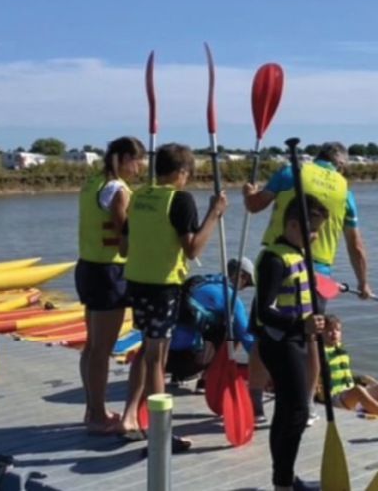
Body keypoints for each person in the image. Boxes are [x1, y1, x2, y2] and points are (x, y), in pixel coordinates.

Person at [243, 141, 373, 424]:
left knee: (264, 334)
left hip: (277, 262)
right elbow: (356, 246)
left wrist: (248, 193)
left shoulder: (291, 171)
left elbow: (254, 207)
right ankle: (307, 405)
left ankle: (255, 405)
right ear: (341, 165)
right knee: (311, 337)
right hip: (319, 273)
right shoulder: (345, 191)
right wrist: (363, 283)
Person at [116, 143, 227, 447]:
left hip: (135, 282)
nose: (187, 180)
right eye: (188, 175)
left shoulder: (138, 196)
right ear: (181, 172)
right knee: (157, 359)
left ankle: (128, 416)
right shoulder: (180, 200)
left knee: (145, 351)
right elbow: (192, 249)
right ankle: (159, 432)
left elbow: (123, 247)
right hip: (162, 286)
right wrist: (213, 214)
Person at [252, 194, 330, 491]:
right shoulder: (275, 258)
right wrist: (300, 324)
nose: (316, 237)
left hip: (295, 340)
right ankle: (283, 481)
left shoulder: (298, 253)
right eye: (313, 231)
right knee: (297, 412)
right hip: (280, 342)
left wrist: (320, 319)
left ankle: (283, 478)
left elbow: (306, 300)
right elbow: (263, 311)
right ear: (294, 225)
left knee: (287, 410)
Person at [76, 136, 144, 434]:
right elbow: (126, 239)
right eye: (137, 160)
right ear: (123, 159)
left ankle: (94, 409)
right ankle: (97, 416)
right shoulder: (118, 191)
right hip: (110, 271)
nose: (140, 167)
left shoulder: (93, 181)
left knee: (92, 347)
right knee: (101, 349)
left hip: (89, 266)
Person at [166, 257, 266, 424]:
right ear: (240, 275)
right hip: (189, 361)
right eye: (246, 282)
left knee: (202, 323)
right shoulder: (230, 297)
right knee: (232, 329)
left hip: (165, 360)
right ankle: (205, 381)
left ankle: (176, 377)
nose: (244, 288)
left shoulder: (201, 283)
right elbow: (248, 340)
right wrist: (264, 366)